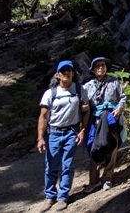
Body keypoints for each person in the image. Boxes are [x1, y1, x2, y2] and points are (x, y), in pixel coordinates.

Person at [37, 60, 90, 212]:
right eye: (63, 71)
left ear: (73, 73)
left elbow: (86, 111)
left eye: (69, 70)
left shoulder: (80, 90)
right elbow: (43, 116)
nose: (66, 73)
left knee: (67, 166)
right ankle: (50, 196)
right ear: (58, 74)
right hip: (53, 133)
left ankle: (63, 197)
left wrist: (83, 130)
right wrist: (40, 138)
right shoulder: (50, 93)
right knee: (51, 166)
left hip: (71, 132)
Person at [82, 56, 126, 193]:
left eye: (103, 65)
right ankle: (93, 181)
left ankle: (107, 178)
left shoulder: (114, 82)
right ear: (93, 70)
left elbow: (123, 97)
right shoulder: (87, 86)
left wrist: (119, 109)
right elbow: (82, 101)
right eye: (98, 66)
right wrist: (83, 107)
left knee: (111, 146)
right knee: (94, 147)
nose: (101, 68)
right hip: (94, 120)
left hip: (111, 119)